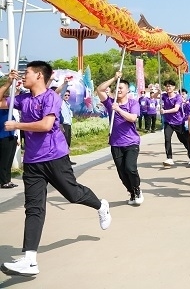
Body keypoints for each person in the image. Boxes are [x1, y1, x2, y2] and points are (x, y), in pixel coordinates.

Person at [0, 62, 111, 277]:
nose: (23, 76)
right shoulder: (23, 99)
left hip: (54, 157)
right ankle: (30, 260)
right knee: (34, 208)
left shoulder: (51, 97)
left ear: (39, 76)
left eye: (26, 73)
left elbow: (46, 125)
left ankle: (101, 205)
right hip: (32, 161)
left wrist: (17, 125)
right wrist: (7, 83)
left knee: (73, 194)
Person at [97, 72, 144, 205]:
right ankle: (131, 192)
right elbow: (99, 89)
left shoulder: (133, 103)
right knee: (122, 173)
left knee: (130, 168)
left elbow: (133, 118)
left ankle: (137, 189)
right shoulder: (110, 103)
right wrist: (114, 78)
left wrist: (118, 109)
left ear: (127, 90)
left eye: (121, 88)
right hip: (116, 143)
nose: (118, 90)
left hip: (131, 142)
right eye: (117, 88)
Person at [160, 80, 190, 166]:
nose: (168, 88)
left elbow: (176, 109)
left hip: (178, 122)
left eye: (170, 86)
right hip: (168, 122)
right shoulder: (164, 96)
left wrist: (165, 111)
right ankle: (169, 158)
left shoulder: (178, 97)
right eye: (167, 86)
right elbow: (154, 96)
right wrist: (158, 91)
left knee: (184, 140)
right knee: (167, 139)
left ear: (174, 87)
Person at [53, 78, 76, 165]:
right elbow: (61, 93)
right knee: (64, 143)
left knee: (68, 142)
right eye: (65, 95)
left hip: (68, 125)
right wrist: (65, 83)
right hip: (64, 125)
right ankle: (64, 161)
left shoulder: (68, 104)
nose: (66, 96)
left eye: (68, 95)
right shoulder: (61, 102)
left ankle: (67, 159)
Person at [0, 107, 19, 189]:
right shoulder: (2, 111)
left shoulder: (9, 111)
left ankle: (8, 180)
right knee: (4, 161)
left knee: (9, 161)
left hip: (12, 136)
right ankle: (3, 181)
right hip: (4, 137)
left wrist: (16, 137)